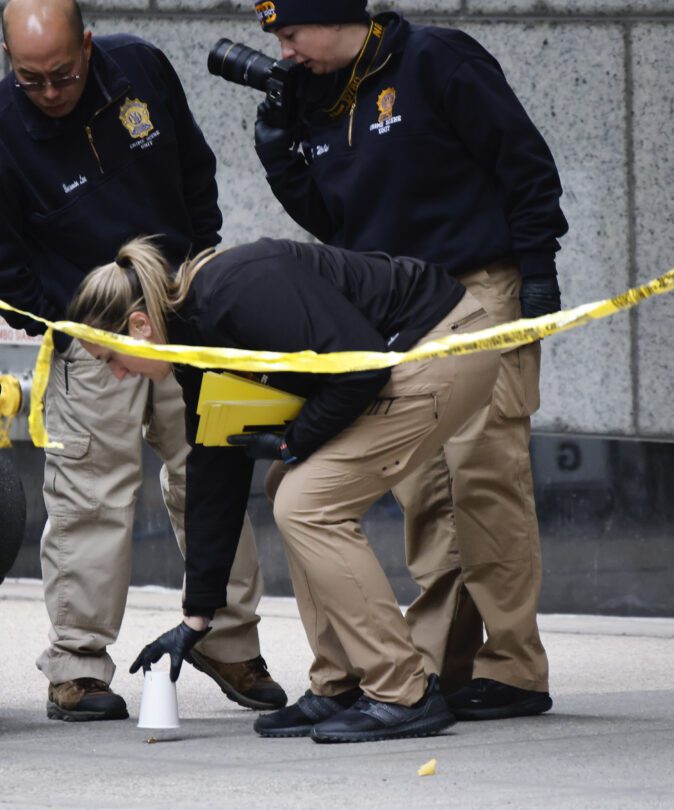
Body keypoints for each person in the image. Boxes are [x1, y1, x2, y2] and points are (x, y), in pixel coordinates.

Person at [0, 0, 286, 721]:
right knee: (89, 500)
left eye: (62, 75)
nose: (48, 91)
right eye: (30, 78)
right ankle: (77, 666)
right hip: (89, 338)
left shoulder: (142, 69)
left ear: (90, 46)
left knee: (212, 473)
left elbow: (196, 169)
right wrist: (79, 324)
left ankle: (230, 641)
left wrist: (199, 269)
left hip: (181, 316)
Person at [248, 0, 567, 720]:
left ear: (331, 15)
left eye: (291, 35)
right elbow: (335, 222)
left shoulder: (437, 60)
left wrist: (537, 265)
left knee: (484, 477)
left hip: (480, 283)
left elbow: (523, 160)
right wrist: (281, 156)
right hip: (401, 305)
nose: (287, 53)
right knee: (424, 490)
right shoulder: (321, 95)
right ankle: (442, 670)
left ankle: (514, 667)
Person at [66, 236, 500, 743]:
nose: (116, 375)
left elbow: (360, 363)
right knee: (287, 488)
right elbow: (214, 466)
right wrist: (197, 616)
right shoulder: (192, 340)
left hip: (443, 341)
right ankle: (338, 684)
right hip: (404, 351)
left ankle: (401, 690)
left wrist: (296, 440)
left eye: (111, 359)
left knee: (308, 502)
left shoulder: (237, 291)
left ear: (139, 327)